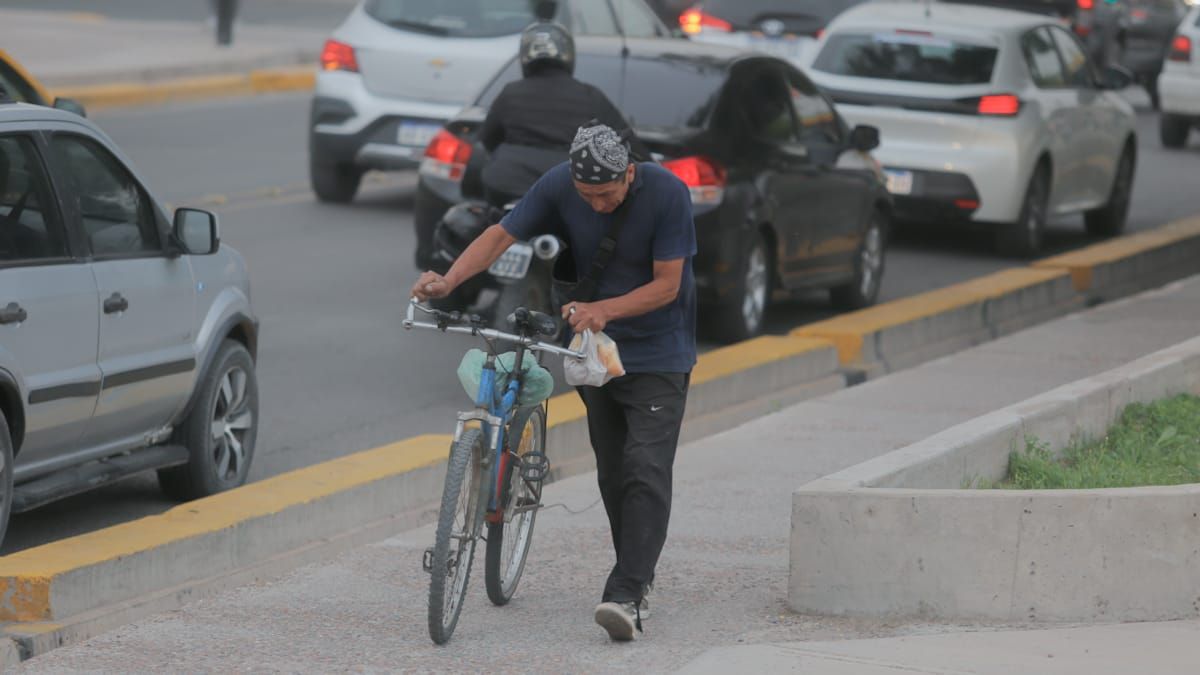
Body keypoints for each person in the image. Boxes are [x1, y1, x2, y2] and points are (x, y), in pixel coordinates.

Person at [411, 122, 697, 642]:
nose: (595, 206)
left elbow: (668, 286)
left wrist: (603, 309)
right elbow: (500, 235)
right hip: (592, 352)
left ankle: (627, 595)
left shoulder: (667, 193)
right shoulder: (558, 185)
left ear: (629, 174)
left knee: (646, 465)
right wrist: (449, 280)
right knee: (613, 470)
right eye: (586, 196)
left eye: (606, 195)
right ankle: (636, 572)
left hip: (659, 350)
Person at [478, 20, 642, 207]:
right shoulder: (589, 95)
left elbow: (488, 139)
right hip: (571, 185)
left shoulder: (510, 92)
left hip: (508, 183)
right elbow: (627, 144)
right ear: (568, 54)